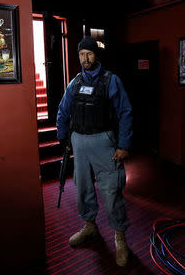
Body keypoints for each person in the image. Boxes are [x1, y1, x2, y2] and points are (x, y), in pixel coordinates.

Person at [56, 37, 133, 267]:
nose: (85, 58)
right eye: (81, 55)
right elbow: (63, 110)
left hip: (104, 141)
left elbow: (126, 113)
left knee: (110, 190)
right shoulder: (75, 82)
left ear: (96, 55)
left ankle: (120, 237)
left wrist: (124, 146)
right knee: (83, 188)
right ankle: (90, 226)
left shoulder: (111, 81)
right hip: (79, 141)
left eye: (89, 54)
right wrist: (63, 137)